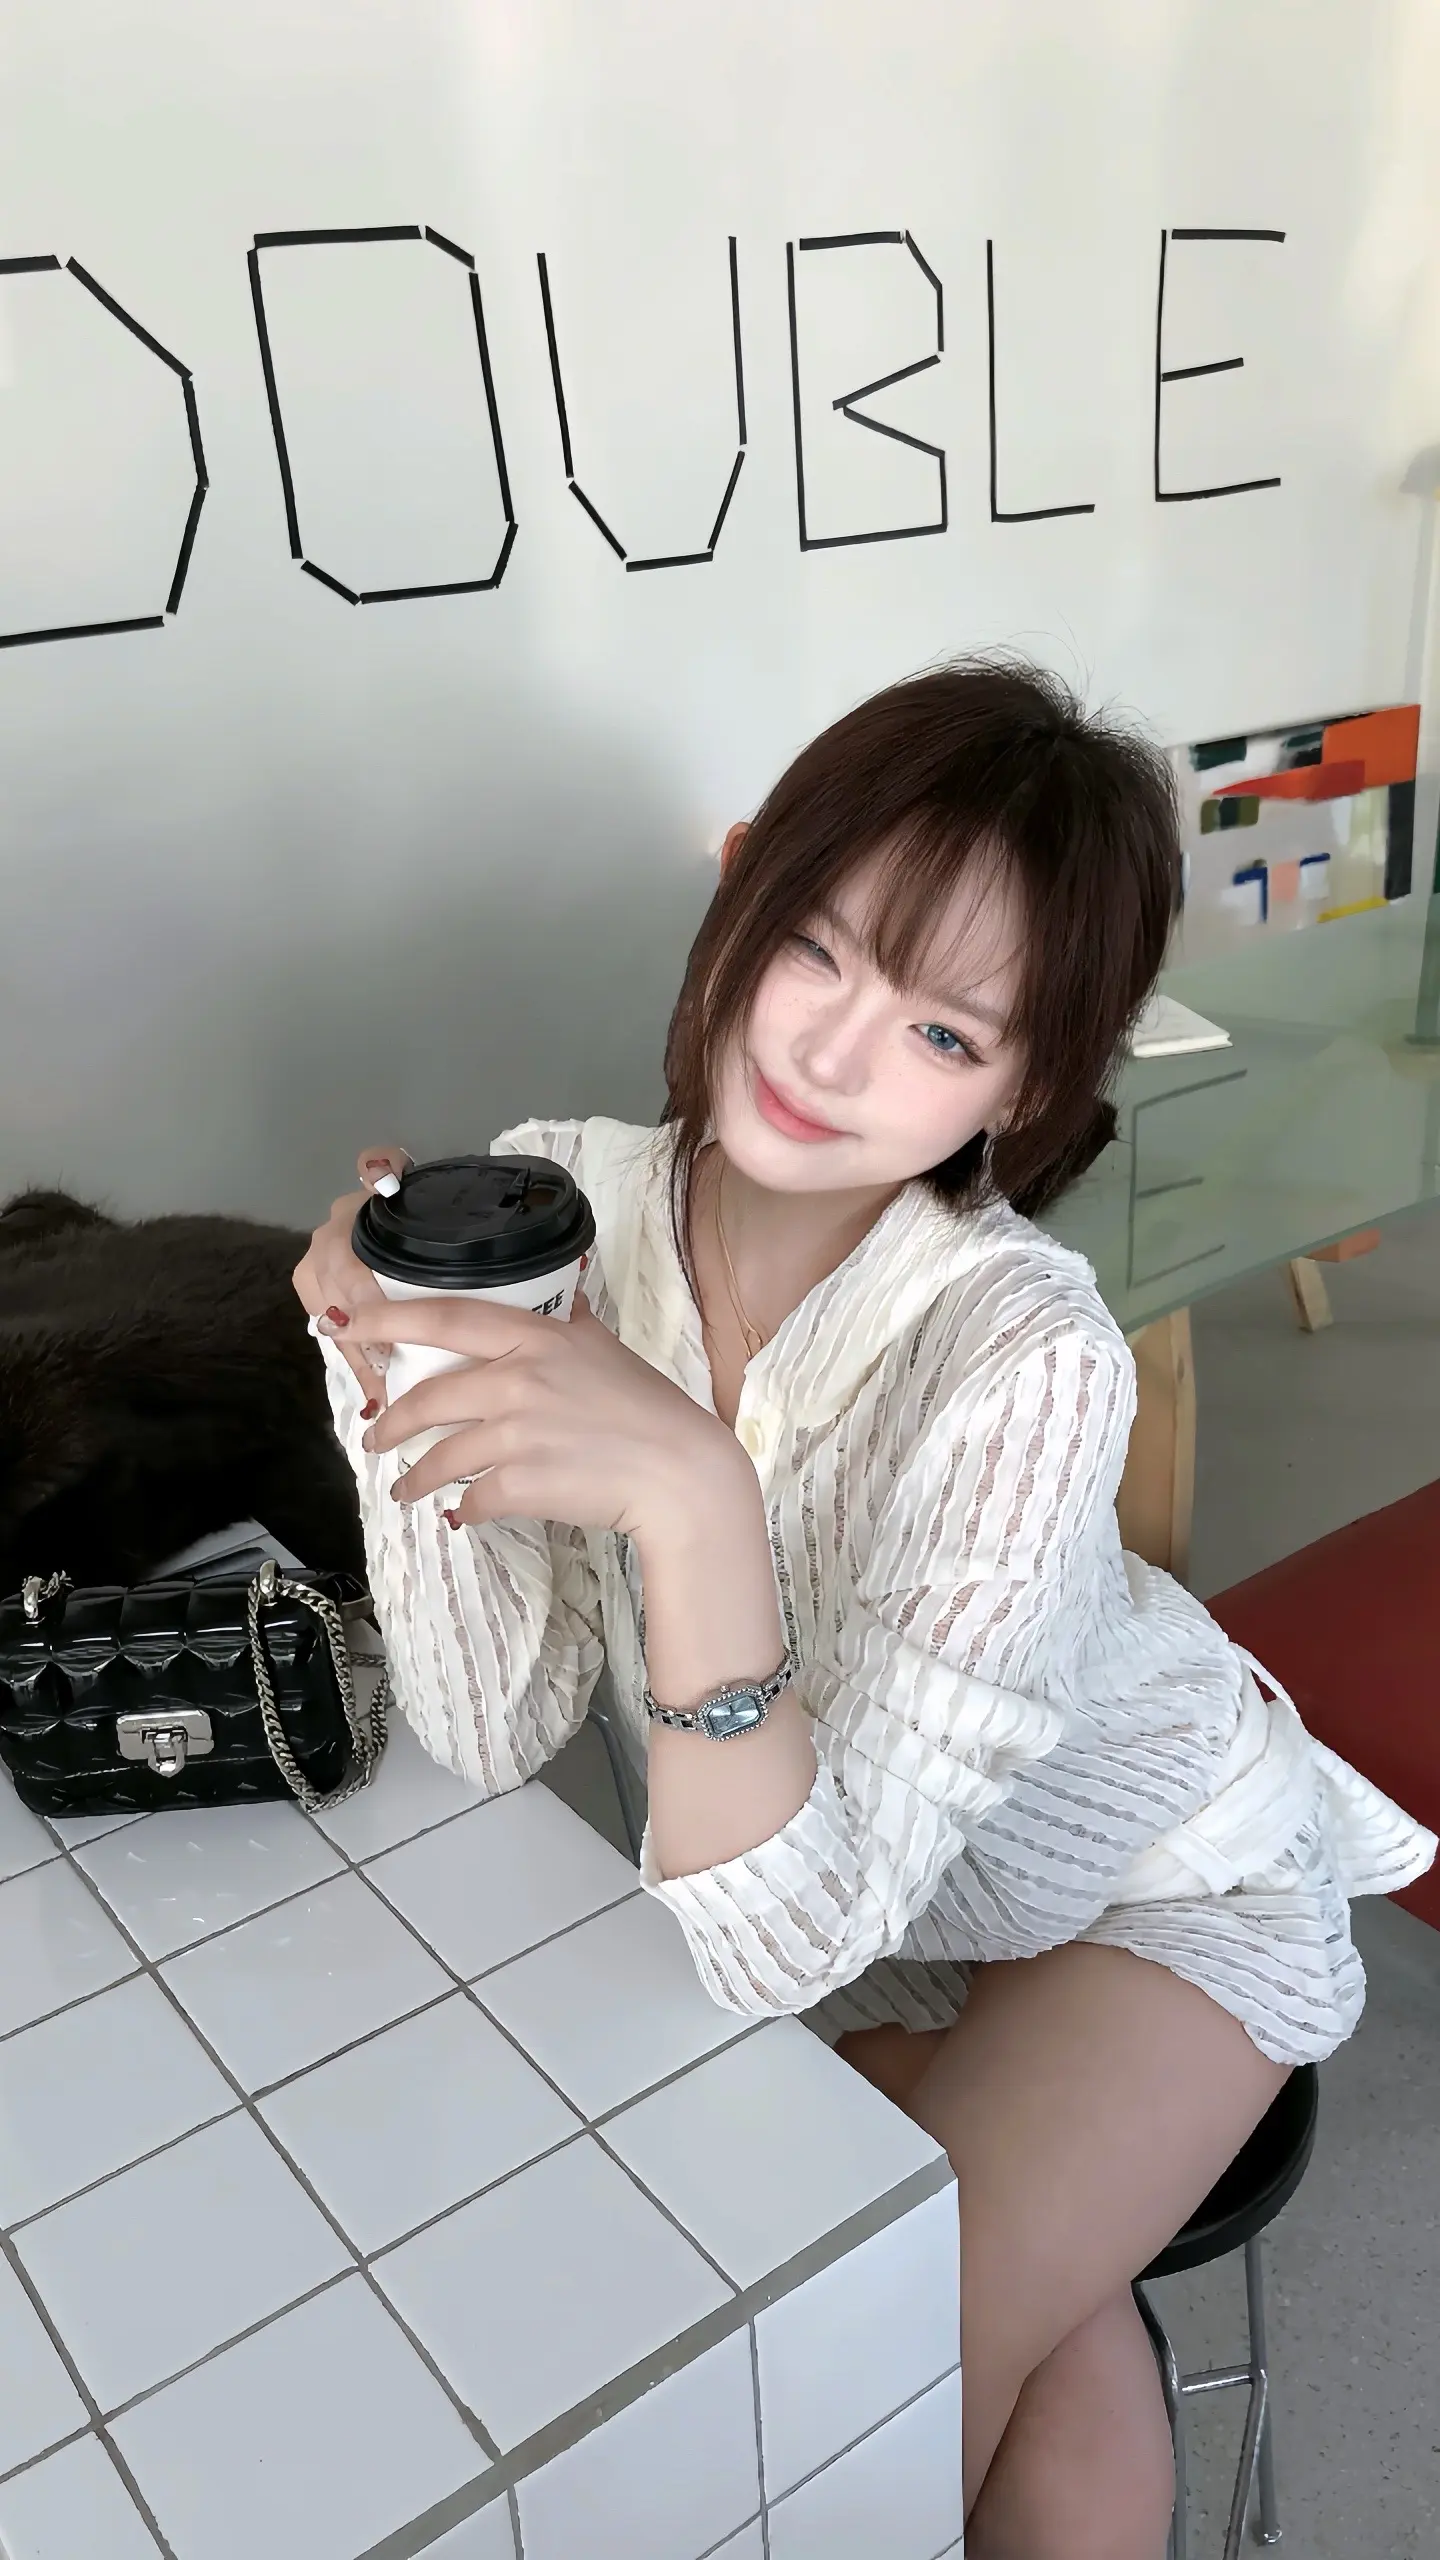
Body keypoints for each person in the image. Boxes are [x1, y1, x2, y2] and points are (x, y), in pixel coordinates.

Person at [295, 658, 1435, 2559]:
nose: (827, 1053)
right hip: (887, 1909)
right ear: (745, 891)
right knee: (988, 2331)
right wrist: (385, 1364)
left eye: (940, 1030)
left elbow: (776, 1941)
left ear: (1029, 1086)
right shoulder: (565, 1205)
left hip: (1155, 1877)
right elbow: (492, 1725)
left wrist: (689, 1494)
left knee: (867, 2383)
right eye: (816, 946)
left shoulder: (1027, 1355)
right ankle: (1072, 2288)